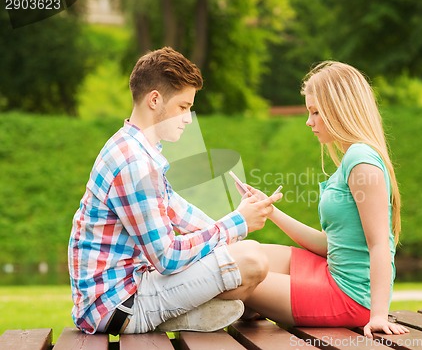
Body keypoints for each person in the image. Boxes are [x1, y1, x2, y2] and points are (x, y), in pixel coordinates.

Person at [68, 46, 282, 335]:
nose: (188, 118)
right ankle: (183, 315)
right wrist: (236, 224)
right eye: (183, 107)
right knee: (252, 261)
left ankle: (211, 310)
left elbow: (179, 212)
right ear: (154, 100)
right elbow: (167, 257)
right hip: (119, 305)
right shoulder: (135, 164)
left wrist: (239, 220)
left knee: (248, 254)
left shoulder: (137, 149)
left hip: (129, 288)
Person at [239, 61, 410, 338]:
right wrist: (271, 212)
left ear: (340, 109)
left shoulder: (361, 161)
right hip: (329, 271)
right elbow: (330, 244)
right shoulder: (351, 160)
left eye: (316, 112)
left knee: (232, 277)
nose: (309, 121)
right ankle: (248, 305)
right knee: (244, 254)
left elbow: (379, 244)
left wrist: (378, 315)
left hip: (348, 296)